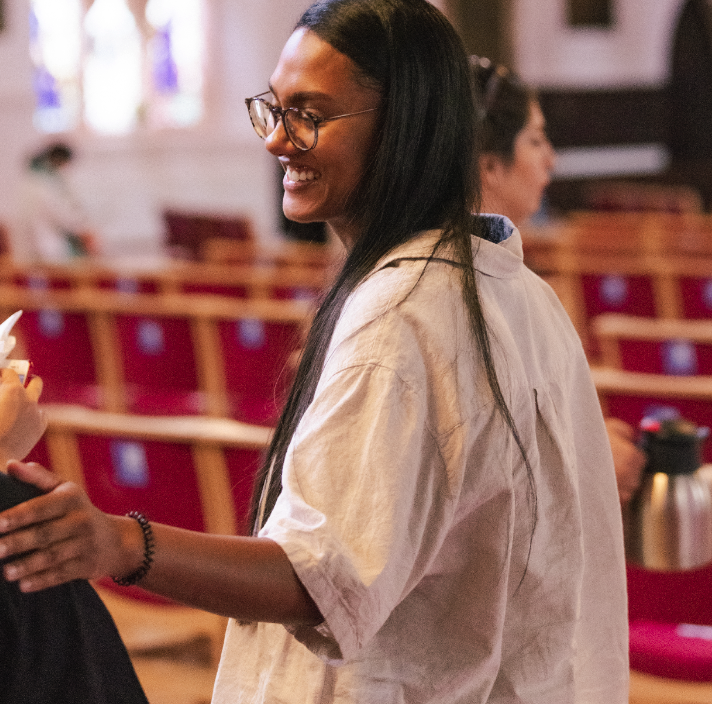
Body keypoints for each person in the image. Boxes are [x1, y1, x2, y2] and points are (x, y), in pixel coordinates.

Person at [0, 1, 628, 702]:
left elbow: (318, 579)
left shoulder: (403, 316)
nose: (277, 139)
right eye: (274, 107)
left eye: (311, 113)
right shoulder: (513, 288)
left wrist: (119, 543)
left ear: (406, 125)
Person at [471, 56, 646, 506]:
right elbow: (466, 459)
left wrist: (585, 436)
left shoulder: (505, 277)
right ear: (489, 165)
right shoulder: (456, 288)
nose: (551, 159)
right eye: (535, 140)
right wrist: (587, 454)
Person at [15, 142, 97, 263]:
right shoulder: (45, 183)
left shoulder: (32, 179)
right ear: (59, 160)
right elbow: (62, 215)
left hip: (35, 247)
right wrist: (84, 231)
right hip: (48, 248)